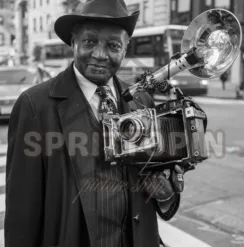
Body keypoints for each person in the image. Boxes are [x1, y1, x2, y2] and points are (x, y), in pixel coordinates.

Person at [4, 0, 184, 246]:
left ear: (125, 49)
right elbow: (21, 210)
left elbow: (158, 193)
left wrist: (166, 194)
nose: (100, 54)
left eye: (113, 45)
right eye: (90, 42)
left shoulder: (141, 101)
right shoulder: (34, 105)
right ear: (73, 42)